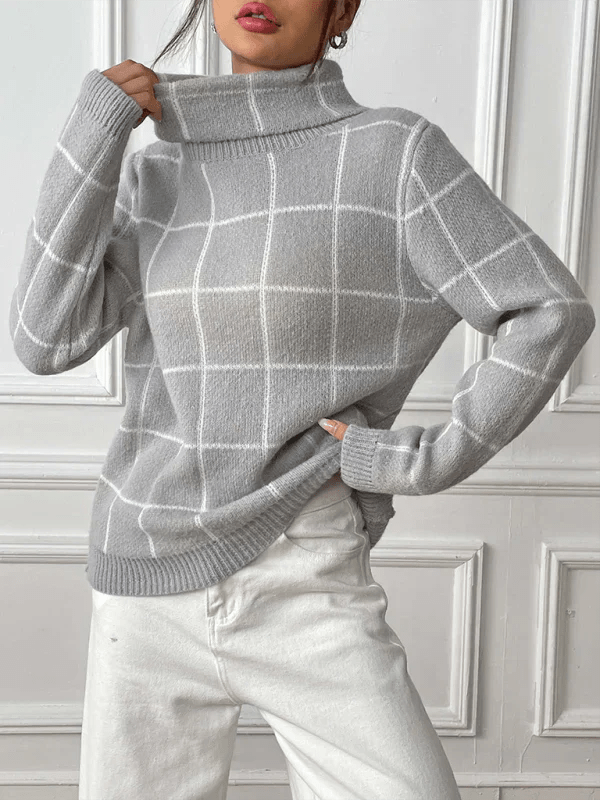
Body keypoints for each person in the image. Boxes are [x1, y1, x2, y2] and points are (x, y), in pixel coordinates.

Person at [8, 0, 596, 797]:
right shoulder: (156, 174)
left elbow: (548, 310)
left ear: (342, 7)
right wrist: (94, 133)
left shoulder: (393, 154)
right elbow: (44, 340)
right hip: (142, 581)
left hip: (304, 569)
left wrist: (416, 461)